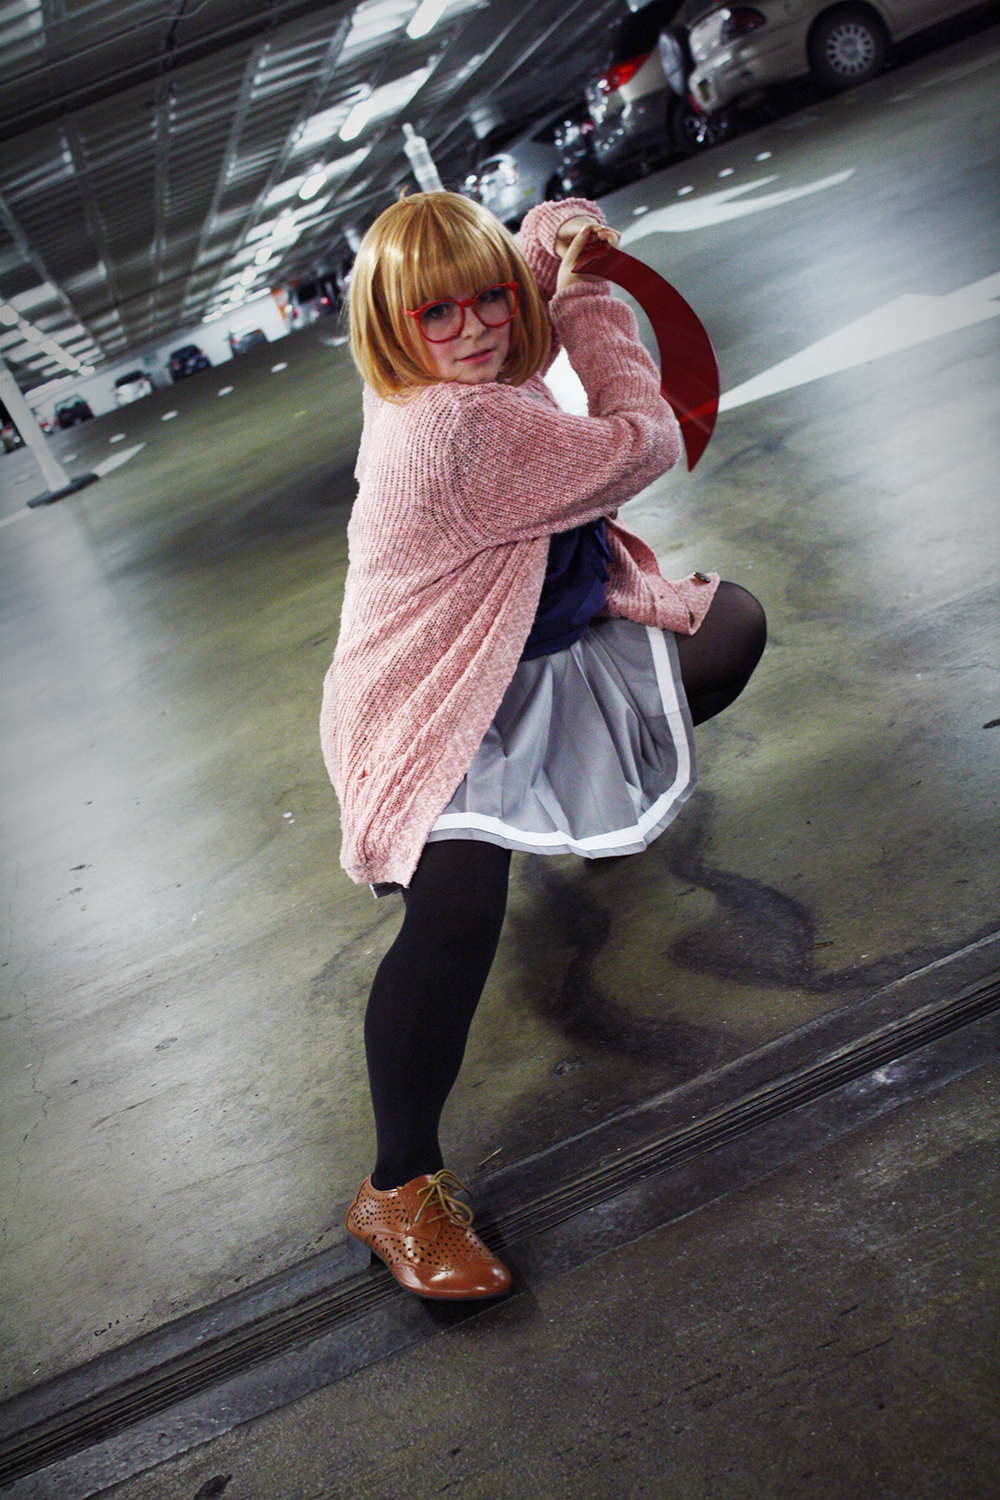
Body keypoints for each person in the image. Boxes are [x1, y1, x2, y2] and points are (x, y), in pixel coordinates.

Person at [320, 191, 765, 1301]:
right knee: (455, 920)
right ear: (390, 327)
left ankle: (569, 807)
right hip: (431, 705)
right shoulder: (457, 428)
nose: (474, 329)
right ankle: (397, 1189)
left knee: (726, 628)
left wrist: (558, 229)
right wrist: (591, 300)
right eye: (438, 314)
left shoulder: (432, 372)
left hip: (521, 655)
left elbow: (521, 258)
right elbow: (646, 436)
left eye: (488, 301)